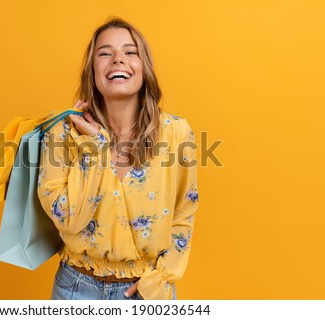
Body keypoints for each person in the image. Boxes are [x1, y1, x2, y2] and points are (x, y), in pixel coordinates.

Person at [37, 17, 199, 300]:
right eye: (105, 53)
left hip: (147, 291)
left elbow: (184, 212)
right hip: (76, 290)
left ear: (143, 67)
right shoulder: (62, 133)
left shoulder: (176, 132)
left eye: (130, 52)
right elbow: (69, 220)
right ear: (93, 70)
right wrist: (95, 147)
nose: (118, 60)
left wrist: (161, 276)